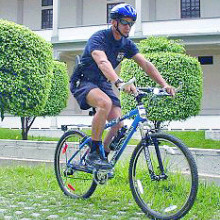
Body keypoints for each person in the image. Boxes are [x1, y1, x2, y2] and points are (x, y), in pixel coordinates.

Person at [70, 3, 175, 170]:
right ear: (114, 23)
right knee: (104, 103)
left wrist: (164, 84)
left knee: (118, 123)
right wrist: (119, 82)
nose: (128, 27)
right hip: (84, 81)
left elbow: (145, 64)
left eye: (131, 23)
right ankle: (93, 154)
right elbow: (102, 62)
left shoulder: (126, 44)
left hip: (102, 83)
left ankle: (102, 157)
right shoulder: (99, 38)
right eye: (125, 22)